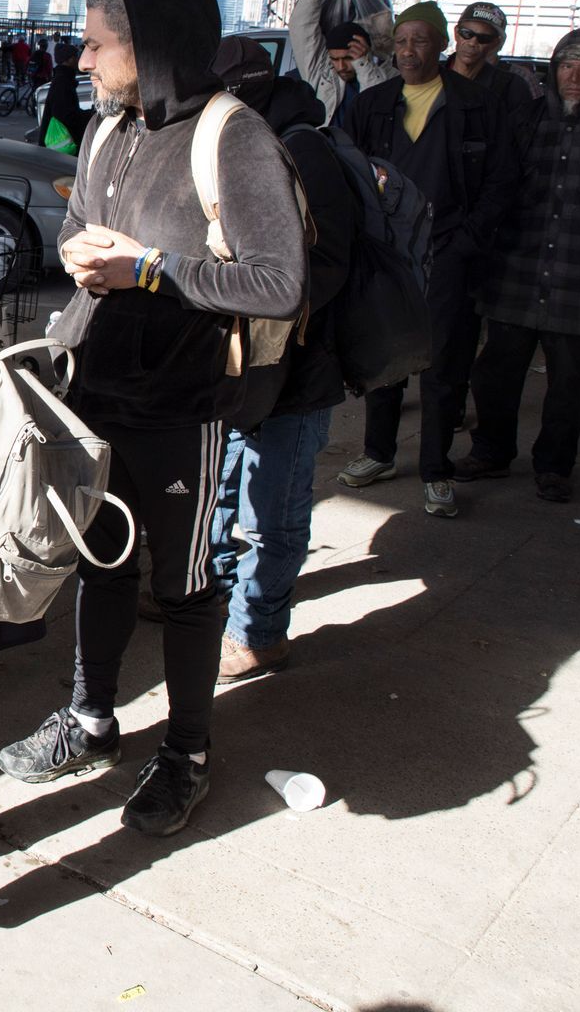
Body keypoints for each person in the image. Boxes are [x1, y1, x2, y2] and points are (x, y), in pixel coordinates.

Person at [0, 0, 306, 835]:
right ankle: (92, 721)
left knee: (186, 586)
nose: (82, 63)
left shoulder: (231, 136)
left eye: (96, 46)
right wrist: (80, 255)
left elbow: (279, 282)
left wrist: (152, 269)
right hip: (97, 398)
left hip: (185, 406)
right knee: (100, 563)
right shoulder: (108, 130)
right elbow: (72, 232)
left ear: (151, 45)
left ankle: (187, 753)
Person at [456, 28, 580, 505]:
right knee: (495, 373)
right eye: (567, 64)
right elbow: (488, 193)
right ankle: (491, 451)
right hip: (515, 272)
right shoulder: (523, 121)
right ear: (554, 68)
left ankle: (554, 466)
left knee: (568, 384)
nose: (575, 76)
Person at [206, 35, 355, 682]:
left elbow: (326, 266)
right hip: (251, 365)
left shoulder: (301, 149)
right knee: (224, 493)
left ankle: (261, 631)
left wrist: (250, 297)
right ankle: (214, 600)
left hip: (299, 368)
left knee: (274, 510)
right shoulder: (249, 142)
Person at [334, 0, 517, 518]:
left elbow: (502, 181)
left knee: (443, 363)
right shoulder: (374, 103)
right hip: (390, 256)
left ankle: (437, 470)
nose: (409, 50)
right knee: (386, 355)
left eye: (420, 40)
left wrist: (467, 240)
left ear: (443, 45)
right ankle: (378, 454)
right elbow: (347, 169)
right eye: (401, 40)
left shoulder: (477, 104)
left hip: (450, 254)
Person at [291, 0, 395, 126]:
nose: (340, 66)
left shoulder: (388, 74)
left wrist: (363, 65)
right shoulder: (322, 71)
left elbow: (376, 108)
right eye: (335, 59)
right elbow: (301, 25)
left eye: (347, 59)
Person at [446, 1, 534, 145]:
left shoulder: (513, 88)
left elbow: (522, 143)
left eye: (483, 38)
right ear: (456, 33)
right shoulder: (431, 76)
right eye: (467, 34)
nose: (472, 42)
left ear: (496, 43)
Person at [38, 44, 89, 151]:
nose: (78, 59)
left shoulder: (63, 79)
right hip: (61, 144)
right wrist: (89, 116)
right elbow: (66, 116)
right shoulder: (63, 82)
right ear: (69, 60)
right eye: (76, 56)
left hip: (58, 142)